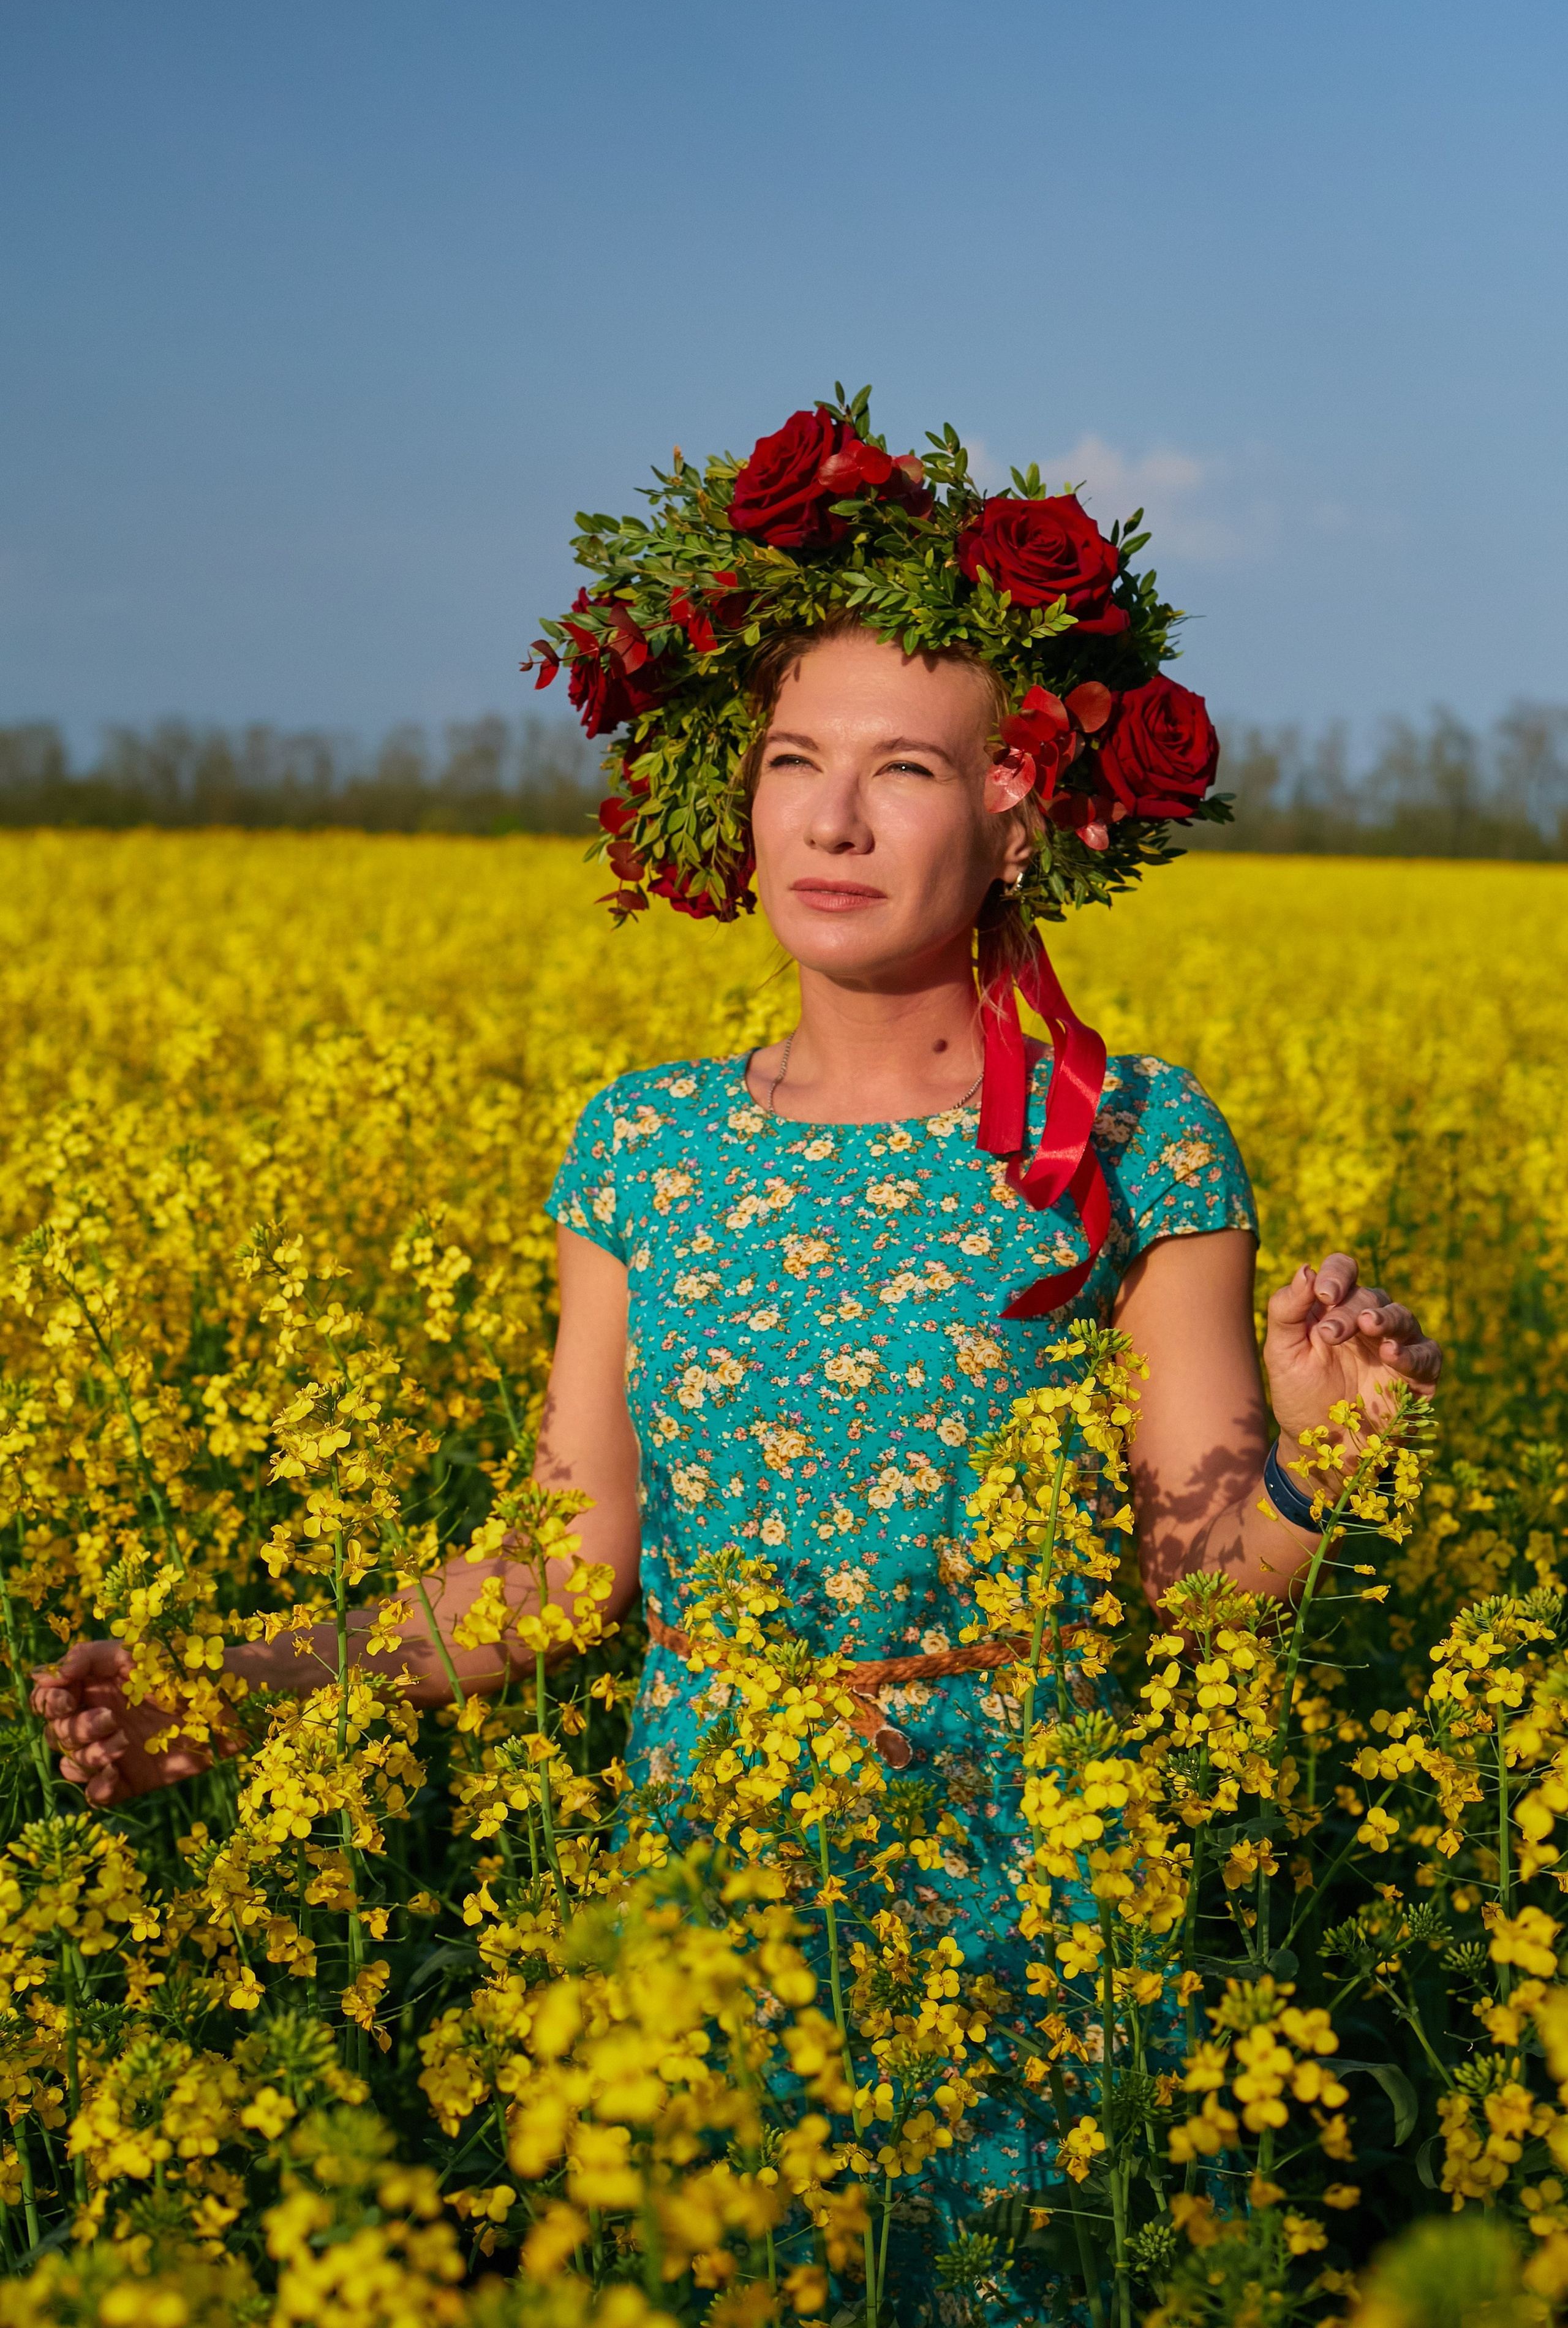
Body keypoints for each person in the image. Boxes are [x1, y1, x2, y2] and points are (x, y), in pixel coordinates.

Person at [32, 401, 1441, 2297]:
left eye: (903, 771)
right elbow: (561, 1569)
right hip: (712, 1907)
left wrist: (1323, 1459)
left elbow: (1200, 1580)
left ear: (1017, 810)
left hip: (1030, 1901)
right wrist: (241, 1686)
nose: (831, 821)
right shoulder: (640, 1147)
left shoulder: (1134, 1137)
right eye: (794, 761)